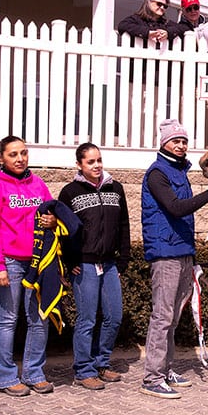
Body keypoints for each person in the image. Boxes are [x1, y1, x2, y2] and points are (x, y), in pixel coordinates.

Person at [140, 118, 208, 399]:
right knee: (162, 317)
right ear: (163, 143)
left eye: (183, 141)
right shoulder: (157, 173)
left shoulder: (180, 171)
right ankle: (152, 378)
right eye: (174, 141)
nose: (180, 146)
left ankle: (165, 370)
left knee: (174, 317)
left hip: (182, 251)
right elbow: (176, 208)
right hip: (164, 253)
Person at [0, 136, 56, 397]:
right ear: (1, 158)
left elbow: (51, 211)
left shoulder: (37, 183)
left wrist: (51, 220)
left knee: (39, 318)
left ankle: (33, 373)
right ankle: (5, 377)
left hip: (37, 262)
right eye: (13, 154)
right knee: (7, 319)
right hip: (10, 262)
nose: (20, 159)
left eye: (23, 153)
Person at [58, 143, 131, 391]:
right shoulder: (69, 192)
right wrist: (70, 262)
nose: (97, 165)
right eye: (90, 161)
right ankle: (83, 369)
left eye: (99, 160)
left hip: (109, 264)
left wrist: (123, 259)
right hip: (85, 265)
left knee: (114, 317)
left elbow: (124, 226)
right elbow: (64, 231)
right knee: (87, 319)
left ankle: (101, 363)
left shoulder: (116, 188)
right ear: (79, 164)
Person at [117, 0, 186, 46]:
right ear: (149, 2)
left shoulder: (166, 23)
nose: (162, 8)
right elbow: (122, 26)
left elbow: (183, 28)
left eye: (165, 6)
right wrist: (147, 33)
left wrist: (168, 33)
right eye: (159, 4)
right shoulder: (137, 19)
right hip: (138, 60)